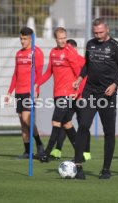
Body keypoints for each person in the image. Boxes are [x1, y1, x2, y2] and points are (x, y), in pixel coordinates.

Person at [73, 18, 118, 179]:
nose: (98, 35)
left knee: (109, 131)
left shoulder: (115, 46)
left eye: (101, 32)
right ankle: (78, 166)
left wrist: (115, 85)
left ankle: (106, 169)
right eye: (95, 32)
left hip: (107, 95)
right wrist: (79, 78)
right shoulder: (90, 44)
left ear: (107, 30)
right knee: (83, 125)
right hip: (90, 92)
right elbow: (87, 65)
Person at [35, 27, 81, 162]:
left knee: (56, 122)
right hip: (57, 93)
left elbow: (79, 73)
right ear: (55, 39)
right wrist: (38, 84)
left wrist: (77, 91)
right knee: (66, 124)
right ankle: (80, 152)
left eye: (64, 38)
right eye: (60, 38)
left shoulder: (70, 52)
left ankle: (46, 154)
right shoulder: (53, 52)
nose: (62, 41)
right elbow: (49, 72)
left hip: (67, 94)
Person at [5, 27, 44, 159]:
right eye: (21, 39)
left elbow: (39, 74)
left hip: (29, 91)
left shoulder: (36, 52)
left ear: (31, 38)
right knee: (22, 122)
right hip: (19, 92)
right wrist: (9, 92)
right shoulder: (19, 53)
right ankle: (27, 152)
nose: (22, 41)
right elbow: (15, 74)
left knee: (27, 118)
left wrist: (36, 89)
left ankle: (39, 144)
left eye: (25, 39)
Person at [50, 39, 92, 161]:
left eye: (70, 49)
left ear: (74, 49)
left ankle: (86, 151)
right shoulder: (63, 60)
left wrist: (80, 93)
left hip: (81, 97)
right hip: (70, 95)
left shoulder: (82, 61)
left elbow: (84, 79)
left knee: (83, 124)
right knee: (65, 121)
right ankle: (58, 149)